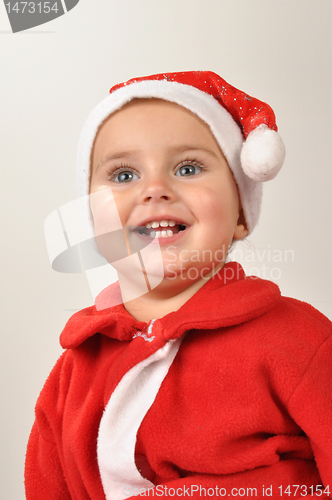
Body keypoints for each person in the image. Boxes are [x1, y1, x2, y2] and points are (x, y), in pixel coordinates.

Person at [25, 71, 332, 500]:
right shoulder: (72, 374)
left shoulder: (299, 341)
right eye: (124, 174)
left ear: (241, 214)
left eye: (188, 168)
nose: (155, 189)